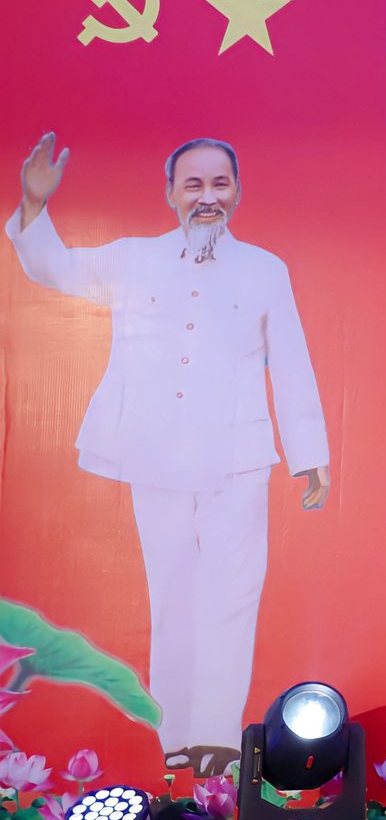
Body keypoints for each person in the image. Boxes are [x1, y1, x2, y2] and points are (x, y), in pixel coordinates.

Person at [7, 133, 329, 776]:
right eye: (193, 185)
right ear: (170, 194)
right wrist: (33, 203)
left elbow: (290, 361)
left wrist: (308, 453)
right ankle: (176, 734)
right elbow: (55, 268)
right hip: (154, 456)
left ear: (236, 192)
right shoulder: (132, 259)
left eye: (219, 185)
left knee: (234, 596)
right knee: (174, 596)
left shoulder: (266, 269)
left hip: (238, 458)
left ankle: (217, 736)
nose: (207, 197)